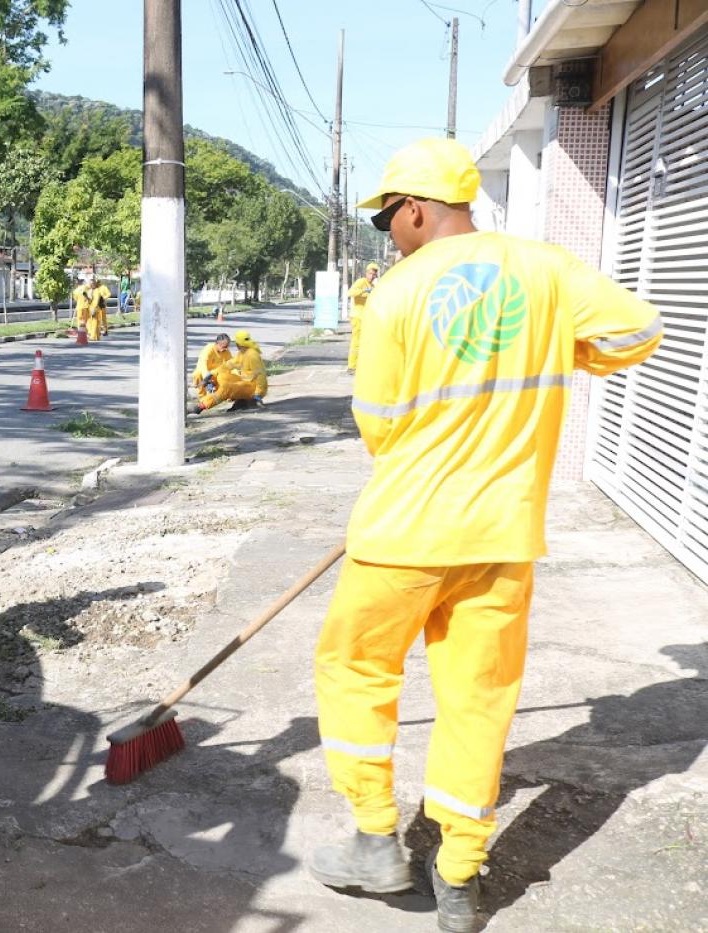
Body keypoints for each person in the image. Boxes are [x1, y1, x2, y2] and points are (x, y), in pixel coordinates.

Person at [307, 138, 662, 933]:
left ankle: (375, 840)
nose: (387, 233)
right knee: (478, 701)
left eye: (388, 218)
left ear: (416, 211)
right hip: (502, 537)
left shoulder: (394, 295)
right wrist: (561, 350)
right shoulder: (547, 270)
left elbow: (379, 425)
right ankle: (460, 876)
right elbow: (639, 329)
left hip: (401, 533)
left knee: (356, 669)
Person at [196, 330, 267, 413]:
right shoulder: (242, 354)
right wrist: (210, 375)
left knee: (227, 388)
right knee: (222, 375)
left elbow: (261, 376)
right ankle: (234, 399)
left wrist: (258, 395)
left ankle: (201, 407)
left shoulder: (252, 356)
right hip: (246, 382)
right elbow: (227, 366)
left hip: (254, 388)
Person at [347, 262, 379, 372]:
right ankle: (352, 366)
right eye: (370, 273)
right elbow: (350, 292)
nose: (372, 276)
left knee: (364, 342)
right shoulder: (361, 282)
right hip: (357, 316)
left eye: (374, 274)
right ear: (366, 273)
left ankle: (360, 364)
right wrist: (363, 291)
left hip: (366, 318)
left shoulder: (373, 286)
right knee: (356, 342)